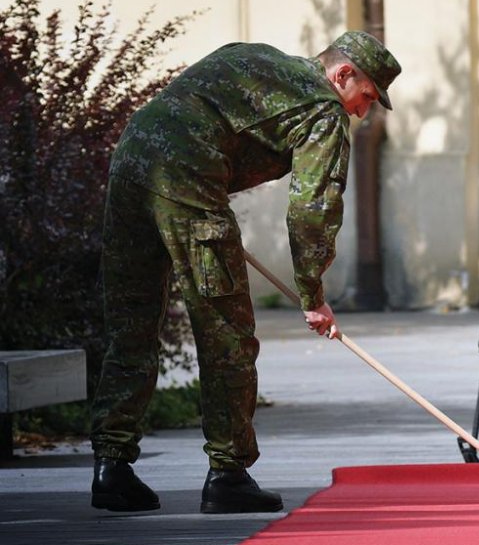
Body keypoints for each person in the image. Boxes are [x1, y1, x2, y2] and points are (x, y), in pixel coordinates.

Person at [89, 31, 401, 513]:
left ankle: (111, 467)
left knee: (130, 324)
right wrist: (312, 295)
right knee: (226, 334)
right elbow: (311, 211)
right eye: (365, 98)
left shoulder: (252, 55)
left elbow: (195, 112)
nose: (362, 113)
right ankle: (228, 474)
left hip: (132, 159)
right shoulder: (323, 109)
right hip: (187, 177)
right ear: (343, 75)